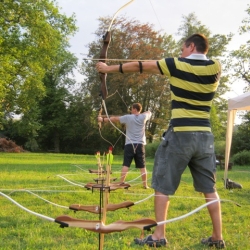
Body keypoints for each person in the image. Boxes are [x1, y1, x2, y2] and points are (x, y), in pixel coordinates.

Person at [96, 34, 225, 248]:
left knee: (162, 187)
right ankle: (217, 237)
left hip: (180, 134)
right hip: (205, 136)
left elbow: (141, 66)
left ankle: (158, 236)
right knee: (209, 189)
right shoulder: (216, 67)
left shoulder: (176, 64)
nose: (181, 52)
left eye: (183, 48)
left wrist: (108, 69)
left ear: (191, 46)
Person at [97, 103, 152, 189]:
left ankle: (122, 182)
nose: (130, 110)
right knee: (142, 166)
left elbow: (114, 119)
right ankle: (145, 185)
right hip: (140, 145)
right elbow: (149, 112)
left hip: (129, 145)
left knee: (126, 164)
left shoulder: (128, 117)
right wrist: (141, 113)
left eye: (132, 109)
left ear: (134, 109)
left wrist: (102, 119)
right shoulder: (144, 117)